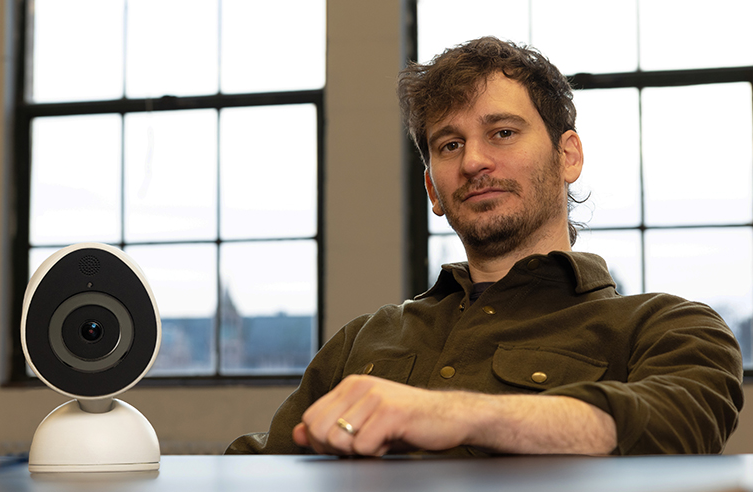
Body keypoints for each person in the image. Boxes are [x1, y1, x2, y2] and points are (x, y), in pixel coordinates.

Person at [225, 36, 744, 456]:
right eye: (449, 145)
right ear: (432, 188)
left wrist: (451, 414)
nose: (472, 161)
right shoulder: (362, 340)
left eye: (501, 133)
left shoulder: (666, 327)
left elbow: (678, 427)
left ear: (568, 156)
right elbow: (263, 468)